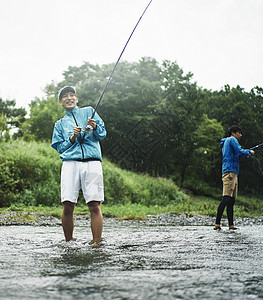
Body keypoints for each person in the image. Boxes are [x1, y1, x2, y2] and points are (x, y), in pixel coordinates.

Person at [51, 86, 106, 246]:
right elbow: (59, 147)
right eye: (65, 96)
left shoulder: (90, 111)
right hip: (70, 164)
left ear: (76, 99)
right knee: (67, 205)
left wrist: (94, 126)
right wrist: (73, 137)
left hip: (93, 162)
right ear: (60, 102)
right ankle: (69, 242)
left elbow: (102, 134)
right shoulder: (59, 124)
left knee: (94, 204)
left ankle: (96, 243)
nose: (69, 98)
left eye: (71, 95)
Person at [214, 125, 254, 231]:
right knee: (226, 198)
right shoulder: (232, 139)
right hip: (230, 172)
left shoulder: (227, 142)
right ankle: (217, 224)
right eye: (239, 133)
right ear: (233, 133)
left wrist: (246, 152)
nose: (240, 135)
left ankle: (231, 225)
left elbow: (237, 155)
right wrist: (249, 152)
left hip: (233, 173)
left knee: (231, 200)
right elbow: (240, 151)